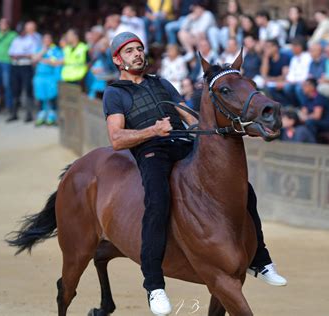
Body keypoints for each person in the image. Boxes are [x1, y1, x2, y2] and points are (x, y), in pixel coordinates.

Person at [102, 31, 287, 316]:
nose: (137, 54)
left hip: (182, 142)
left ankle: (260, 259)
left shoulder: (161, 83)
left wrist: (213, 131)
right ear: (118, 59)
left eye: (139, 49)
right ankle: (154, 285)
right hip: (151, 151)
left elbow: (186, 114)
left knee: (243, 189)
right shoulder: (115, 93)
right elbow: (116, 139)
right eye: (129, 51)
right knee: (157, 200)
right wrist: (153, 130)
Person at [8, 22, 39, 122]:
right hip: (15, 65)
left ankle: (28, 114)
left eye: (21, 31)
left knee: (28, 89)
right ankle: (14, 113)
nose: (20, 33)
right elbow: (11, 53)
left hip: (26, 66)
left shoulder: (31, 40)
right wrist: (19, 55)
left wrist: (21, 55)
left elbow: (32, 54)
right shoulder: (15, 40)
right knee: (15, 89)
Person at [267, 37, 311, 107]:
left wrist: (293, 81)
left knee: (296, 88)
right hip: (292, 82)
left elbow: (306, 74)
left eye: (293, 46)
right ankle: (288, 106)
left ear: (299, 47)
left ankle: (303, 107)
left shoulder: (308, 57)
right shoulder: (294, 58)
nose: (291, 49)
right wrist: (288, 81)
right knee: (273, 88)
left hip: (302, 82)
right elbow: (291, 74)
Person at [32, 33, 63, 126]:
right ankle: (41, 116)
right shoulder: (39, 49)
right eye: (45, 39)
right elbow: (34, 60)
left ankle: (51, 116)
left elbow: (57, 62)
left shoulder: (55, 50)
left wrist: (43, 60)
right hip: (39, 77)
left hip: (50, 77)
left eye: (48, 39)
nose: (46, 41)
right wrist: (42, 52)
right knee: (40, 96)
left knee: (51, 96)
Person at [0, 18, 17, 113]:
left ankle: (9, 106)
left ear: (8, 25)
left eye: (4, 23)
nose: (2, 25)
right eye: (1, 23)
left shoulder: (13, 35)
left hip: (7, 61)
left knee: (7, 84)